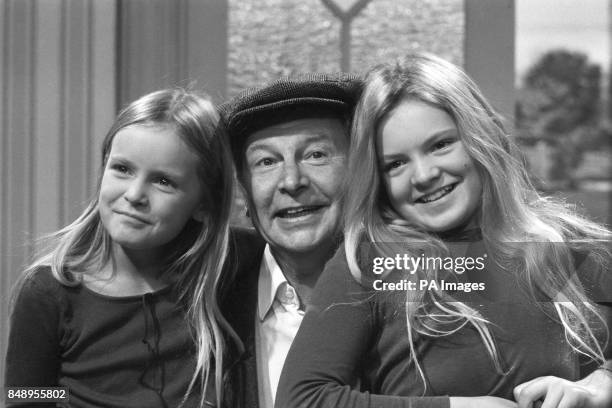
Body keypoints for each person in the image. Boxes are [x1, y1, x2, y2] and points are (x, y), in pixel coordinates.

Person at [275, 53, 612, 408]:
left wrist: (602, 383)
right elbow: (303, 399)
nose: (423, 175)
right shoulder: (369, 263)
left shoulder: (578, 247)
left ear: (481, 135)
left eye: (440, 145)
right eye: (396, 163)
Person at [5, 88, 234, 408]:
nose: (134, 194)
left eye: (163, 181)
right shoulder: (51, 290)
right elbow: (24, 394)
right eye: (122, 169)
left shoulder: (226, 272)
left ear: (204, 204)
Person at [219, 73, 361, 408]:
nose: (292, 181)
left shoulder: (411, 286)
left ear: (359, 171)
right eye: (266, 161)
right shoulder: (210, 299)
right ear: (244, 191)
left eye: (316, 154)